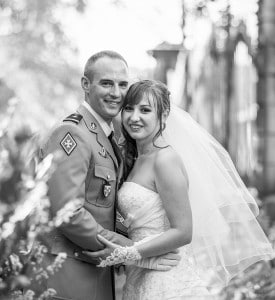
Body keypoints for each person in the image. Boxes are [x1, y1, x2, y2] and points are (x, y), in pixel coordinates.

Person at [84, 80, 275, 299]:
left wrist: (126, 253)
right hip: (140, 274)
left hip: (167, 280)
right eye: (129, 108)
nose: (134, 117)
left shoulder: (165, 160)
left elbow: (183, 231)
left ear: (163, 115)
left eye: (145, 110)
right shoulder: (137, 158)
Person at [39, 53, 180, 300]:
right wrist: (132, 250)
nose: (116, 92)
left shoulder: (106, 137)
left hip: (95, 269)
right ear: (86, 85)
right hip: (67, 274)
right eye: (106, 83)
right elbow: (68, 213)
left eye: (122, 84)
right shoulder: (72, 133)